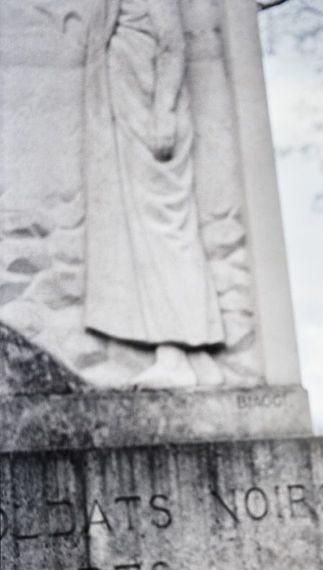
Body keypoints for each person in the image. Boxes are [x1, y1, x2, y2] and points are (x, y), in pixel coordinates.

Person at [84, 0, 224, 387]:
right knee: (138, 238)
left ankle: (175, 354)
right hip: (128, 120)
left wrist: (162, 112)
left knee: (162, 234)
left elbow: (172, 45)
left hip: (150, 126)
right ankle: (193, 358)